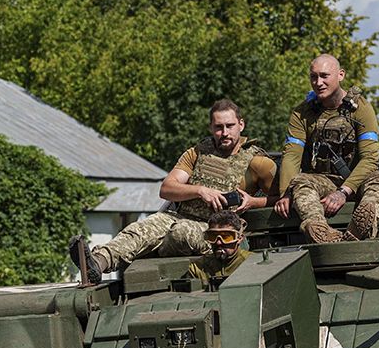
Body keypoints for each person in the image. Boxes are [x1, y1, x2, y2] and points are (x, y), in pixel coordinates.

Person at [71, 99, 276, 283]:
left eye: (230, 126)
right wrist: (200, 190)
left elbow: (283, 199)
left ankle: (146, 251)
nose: (224, 133)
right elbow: (167, 188)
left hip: (219, 234)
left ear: (241, 124)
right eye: (218, 127)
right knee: (142, 228)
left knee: (180, 232)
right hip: (180, 217)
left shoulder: (257, 162)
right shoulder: (197, 153)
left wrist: (252, 202)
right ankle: (97, 263)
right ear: (210, 127)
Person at [272, 54, 379, 243]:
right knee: (300, 182)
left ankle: (360, 230)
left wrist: (343, 192)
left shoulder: (361, 109)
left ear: (340, 75)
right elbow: (291, 156)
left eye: (324, 76)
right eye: (313, 77)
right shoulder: (302, 113)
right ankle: (321, 232)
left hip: (354, 181)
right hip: (321, 181)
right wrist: (285, 194)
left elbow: (370, 158)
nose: (318, 82)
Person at [185, 210, 250, 286]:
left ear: (239, 238)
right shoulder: (197, 268)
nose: (218, 242)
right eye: (213, 236)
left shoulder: (252, 264)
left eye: (226, 237)